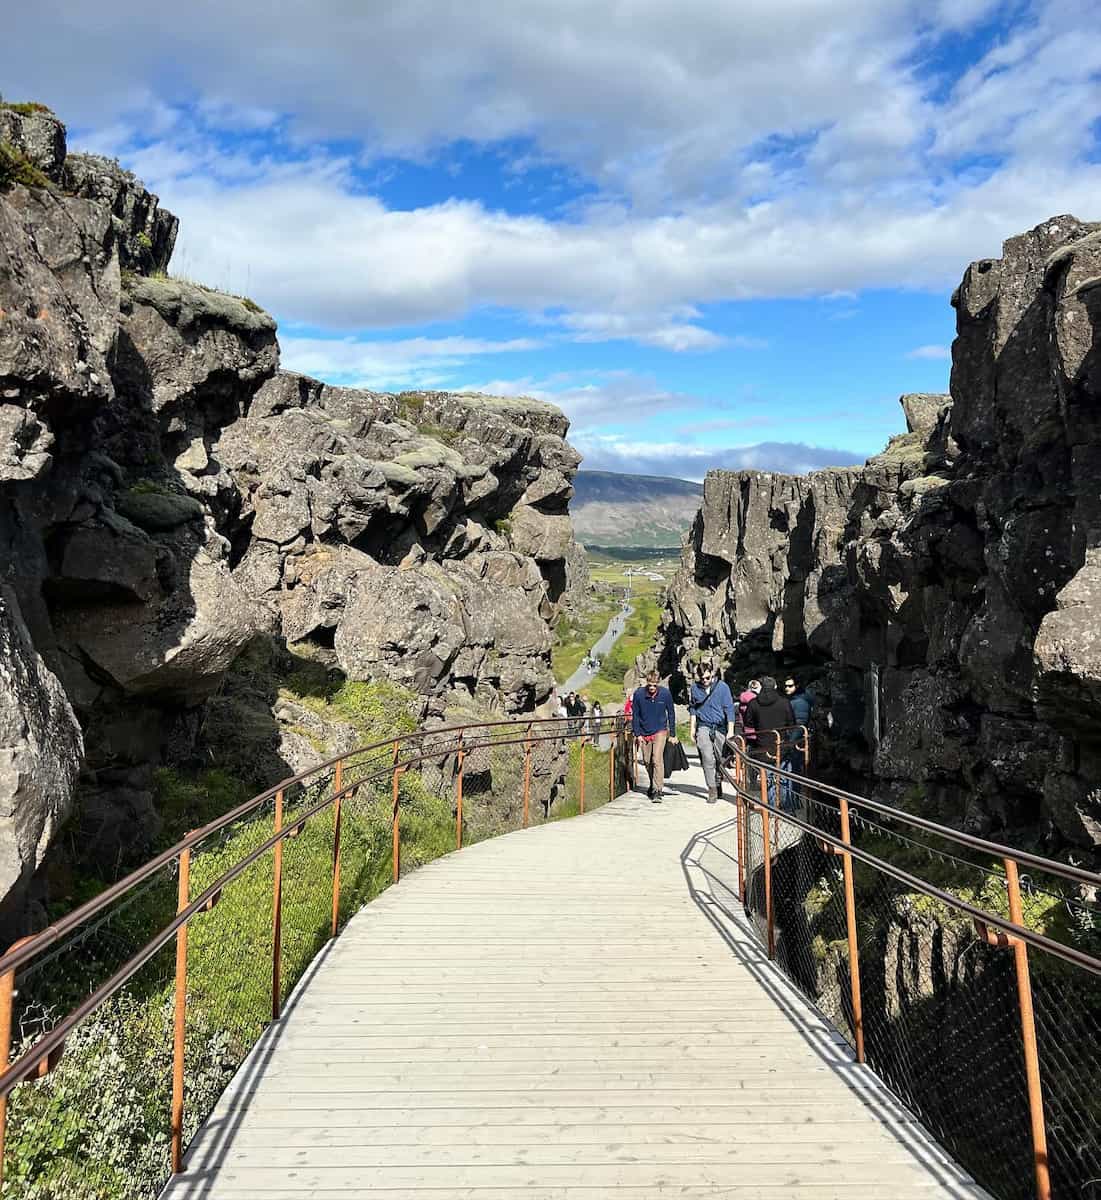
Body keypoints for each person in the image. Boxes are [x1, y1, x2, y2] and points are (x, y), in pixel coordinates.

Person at [688, 662, 736, 804]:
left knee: (721, 759)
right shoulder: (695, 688)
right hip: (703, 726)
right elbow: (693, 709)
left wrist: (731, 729)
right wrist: (692, 728)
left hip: (720, 726)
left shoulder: (722, 687)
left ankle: (718, 780)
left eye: (707, 678)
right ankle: (712, 789)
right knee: (707, 758)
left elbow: (729, 709)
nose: (705, 681)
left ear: (712, 674)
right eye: (702, 678)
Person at [745, 676, 794, 809]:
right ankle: (786, 808)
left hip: (763, 746)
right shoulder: (784, 702)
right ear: (775, 687)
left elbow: (748, 722)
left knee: (768, 778)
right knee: (783, 777)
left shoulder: (753, 703)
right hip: (781, 744)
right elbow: (792, 723)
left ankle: (771, 808)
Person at [630, 671, 677, 803]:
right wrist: (637, 734)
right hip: (644, 732)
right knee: (646, 760)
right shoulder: (639, 694)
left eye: (654, 685)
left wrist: (672, 734)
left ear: (658, 684)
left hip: (660, 730)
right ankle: (652, 782)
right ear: (646, 683)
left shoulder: (665, 694)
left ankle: (657, 790)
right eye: (650, 685)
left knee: (656, 759)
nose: (652, 688)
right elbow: (636, 716)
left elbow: (671, 713)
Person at [780, 676, 813, 810]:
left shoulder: (799, 702)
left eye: (790, 685)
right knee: (794, 773)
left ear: (797, 685)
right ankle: (793, 802)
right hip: (796, 742)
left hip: (794, 743)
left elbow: (800, 724)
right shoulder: (798, 700)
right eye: (785, 685)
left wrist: (790, 743)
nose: (787, 688)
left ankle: (789, 804)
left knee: (789, 772)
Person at [737, 679, 761, 746]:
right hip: (757, 731)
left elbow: (740, 717)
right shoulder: (758, 700)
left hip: (745, 730)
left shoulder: (742, 700)